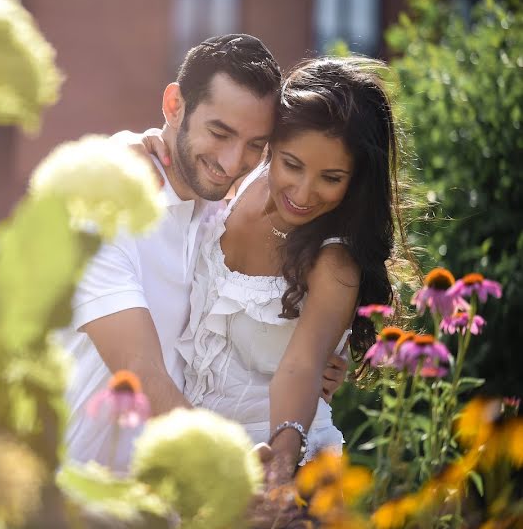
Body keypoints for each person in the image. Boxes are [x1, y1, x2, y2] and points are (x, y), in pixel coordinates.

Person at [56, 35, 348, 472]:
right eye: (220, 132)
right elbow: (141, 369)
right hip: (72, 491)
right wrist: (230, 473)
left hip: (157, 502)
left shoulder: (218, 213)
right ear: (175, 105)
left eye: (255, 145)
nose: (233, 162)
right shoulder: (105, 206)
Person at [146, 56, 405, 479]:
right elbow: (186, 139)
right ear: (271, 145)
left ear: (356, 178)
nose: (303, 193)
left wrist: (284, 453)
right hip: (191, 459)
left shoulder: (335, 261)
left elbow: (300, 367)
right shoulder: (238, 178)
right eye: (292, 165)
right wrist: (139, 143)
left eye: (332, 177)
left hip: (273, 464)